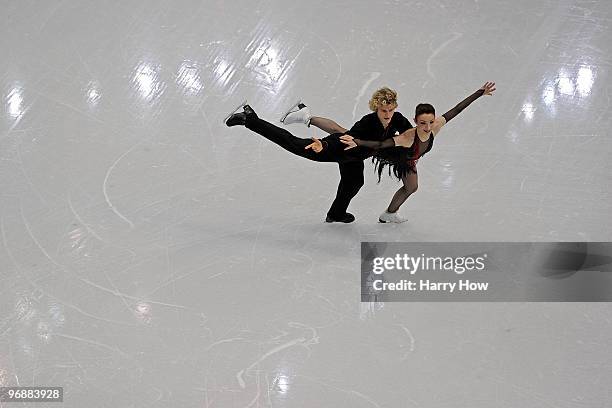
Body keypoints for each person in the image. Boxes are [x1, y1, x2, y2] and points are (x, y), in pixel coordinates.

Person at [226, 87, 413, 223]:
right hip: (338, 149)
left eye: (390, 109)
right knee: (292, 143)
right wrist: (323, 145)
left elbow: (410, 134)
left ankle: (336, 214)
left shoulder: (398, 119)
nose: (388, 114)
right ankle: (249, 118)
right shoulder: (367, 122)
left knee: (354, 182)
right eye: (383, 110)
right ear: (376, 108)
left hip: (355, 158)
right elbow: (343, 137)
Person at [337, 81, 496, 223]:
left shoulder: (436, 126)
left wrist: (479, 93)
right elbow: (380, 144)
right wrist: (357, 141)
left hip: (408, 159)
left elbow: (457, 109)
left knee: (412, 187)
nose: (427, 127)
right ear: (415, 121)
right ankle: (313, 120)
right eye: (422, 123)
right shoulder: (408, 136)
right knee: (344, 133)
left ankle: (389, 214)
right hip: (390, 152)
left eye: (431, 122)